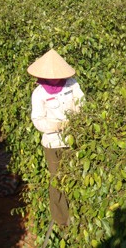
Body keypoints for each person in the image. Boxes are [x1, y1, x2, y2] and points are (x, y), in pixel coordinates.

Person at [27, 49, 85, 226]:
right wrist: (57, 126)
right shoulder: (39, 93)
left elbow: (81, 102)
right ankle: (62, 218)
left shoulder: (71, 84)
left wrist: (76, 117)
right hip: (53, 143)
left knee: (76, 174)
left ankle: (80, 209)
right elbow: (38, 120)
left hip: (73, 138)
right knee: (57, 178)